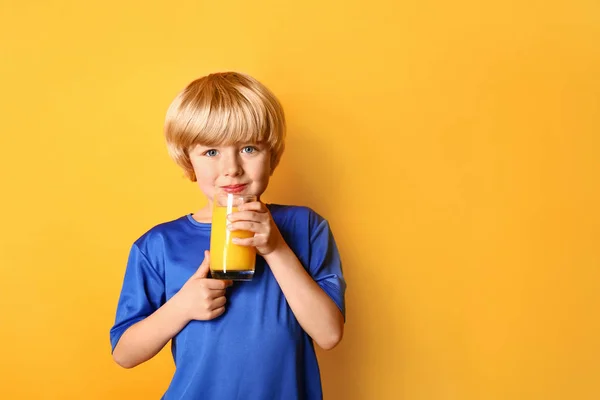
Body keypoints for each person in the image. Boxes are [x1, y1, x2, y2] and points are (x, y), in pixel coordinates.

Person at [109, 72, 346, 399]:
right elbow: (124, 353)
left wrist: (276, 249)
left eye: (249, 148)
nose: (232, 167)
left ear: (273, 156)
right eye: (210, 152)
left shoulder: (305, 228)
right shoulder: (158, 245)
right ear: (188, 161)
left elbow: (329, 333)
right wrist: (181, 307)